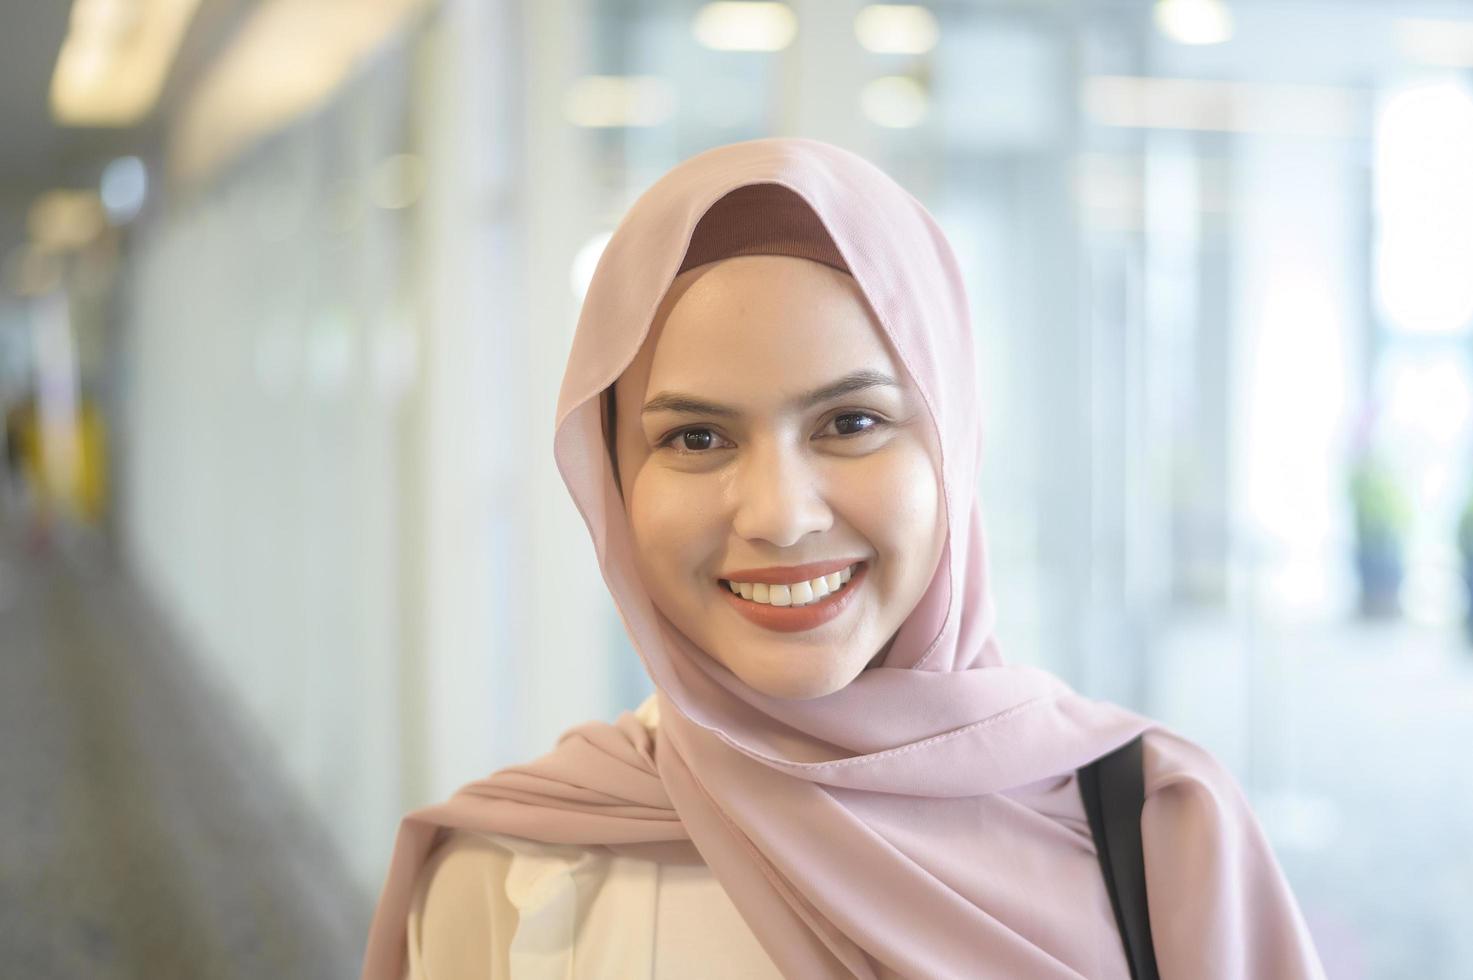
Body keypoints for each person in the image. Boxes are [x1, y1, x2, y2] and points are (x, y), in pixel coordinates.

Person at [361, 138, 1326, 979]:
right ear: (611, 483)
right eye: (696, 438)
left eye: (851, 422)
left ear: (951, 447)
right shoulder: (509, 877)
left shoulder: (1157, 826)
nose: (780, 517)